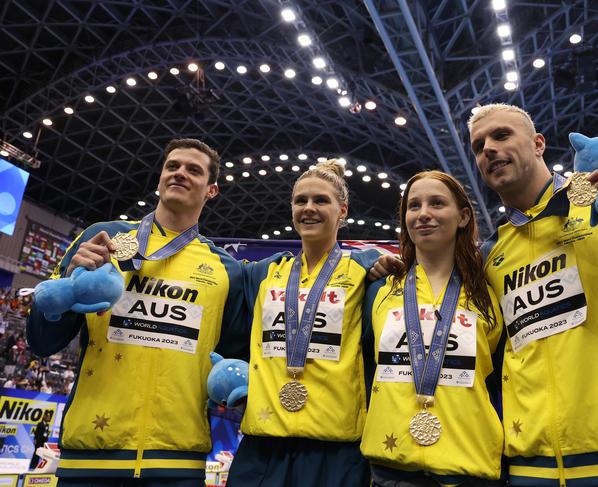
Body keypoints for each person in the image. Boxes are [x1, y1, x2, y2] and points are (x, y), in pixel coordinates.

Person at [27, 138, 246, 487]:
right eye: (172, 166)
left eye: (193, 170)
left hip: (177, 463)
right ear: (159, 179)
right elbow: (41, 340)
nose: (180, 173)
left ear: (212, 189)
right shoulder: (103, 239)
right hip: (89, 460)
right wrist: (69, 282)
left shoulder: (227, 270)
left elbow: (234, 363)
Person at [467, 103, 598, 486]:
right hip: (529, 469)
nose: (488, 149)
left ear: (538, 144)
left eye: (501, 135)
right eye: (478, 145)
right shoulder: (490, 254)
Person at [226, 160, 379, 487]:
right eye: (301, 201)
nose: (309, 208)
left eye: (321, 200)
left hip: (335, 446)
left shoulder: (366, 270)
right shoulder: (264, 273)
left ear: (343, 211)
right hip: (263, 444)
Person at [362, 171, 504, 486]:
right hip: (391, 470)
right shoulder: (378, 291)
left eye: (437, 203)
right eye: (414, 206)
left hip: (469, 468)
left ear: (463, 216)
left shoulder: (490, 294)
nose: (423, 213)